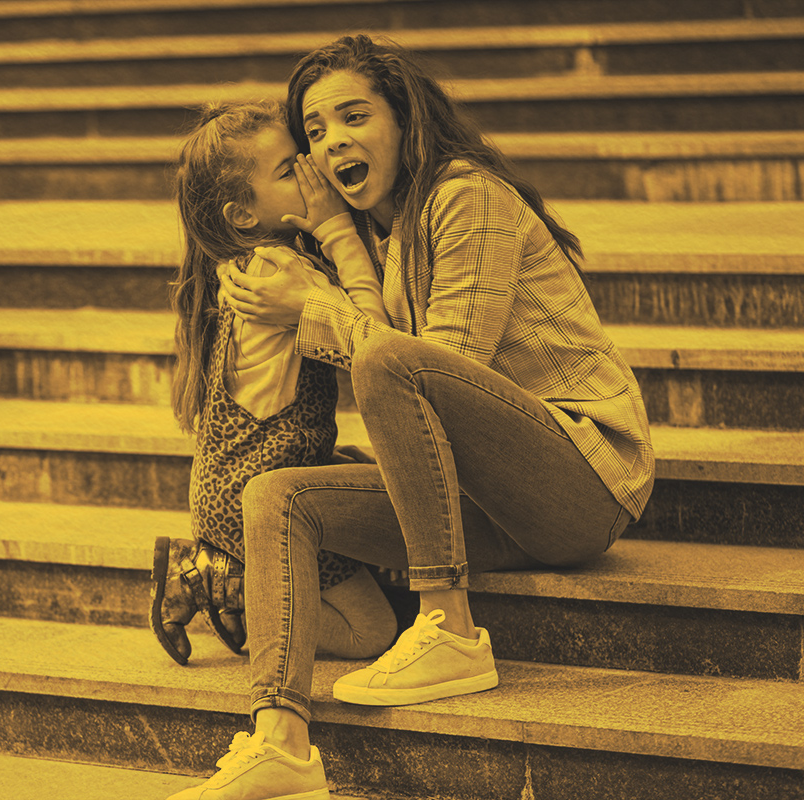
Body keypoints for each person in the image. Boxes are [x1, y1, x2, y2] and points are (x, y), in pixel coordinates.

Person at [168, 35, 655, 800]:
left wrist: (311, 304)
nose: (333, 145)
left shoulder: (467, 195)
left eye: (354, 116)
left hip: (579, 482)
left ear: (404, 116)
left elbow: (427, 366)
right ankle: (281, 742)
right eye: (316, 133)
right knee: (274, 496)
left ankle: (450, 629)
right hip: (482, 498)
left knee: (389, 359)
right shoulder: (372, 231)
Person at [150, 100, 398, 671]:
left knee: (365, 470)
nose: (313, 171)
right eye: (291, 170)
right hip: (258, 502)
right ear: (243, 214)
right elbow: (375, 338)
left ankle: (219, 571)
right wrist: (339, 229)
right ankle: (222, 586)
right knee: (371, 632)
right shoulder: (284, 274)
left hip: (235, 484)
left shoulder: (255, 261)